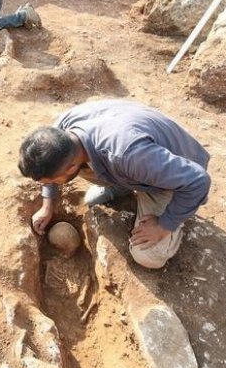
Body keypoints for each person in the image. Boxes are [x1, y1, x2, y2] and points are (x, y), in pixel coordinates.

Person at [18, 99, 211, 270]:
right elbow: (51, 169)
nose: (51, 185)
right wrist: (47, 205)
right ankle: (124, 183)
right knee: (92, 193)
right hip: (137, 160)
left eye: (52, 182)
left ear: (70, 167)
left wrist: (163, 225)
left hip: (177, 175)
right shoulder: (61, 133)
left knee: (148, 256)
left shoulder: (127, 154)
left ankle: (145, 194)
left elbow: (198, 181)